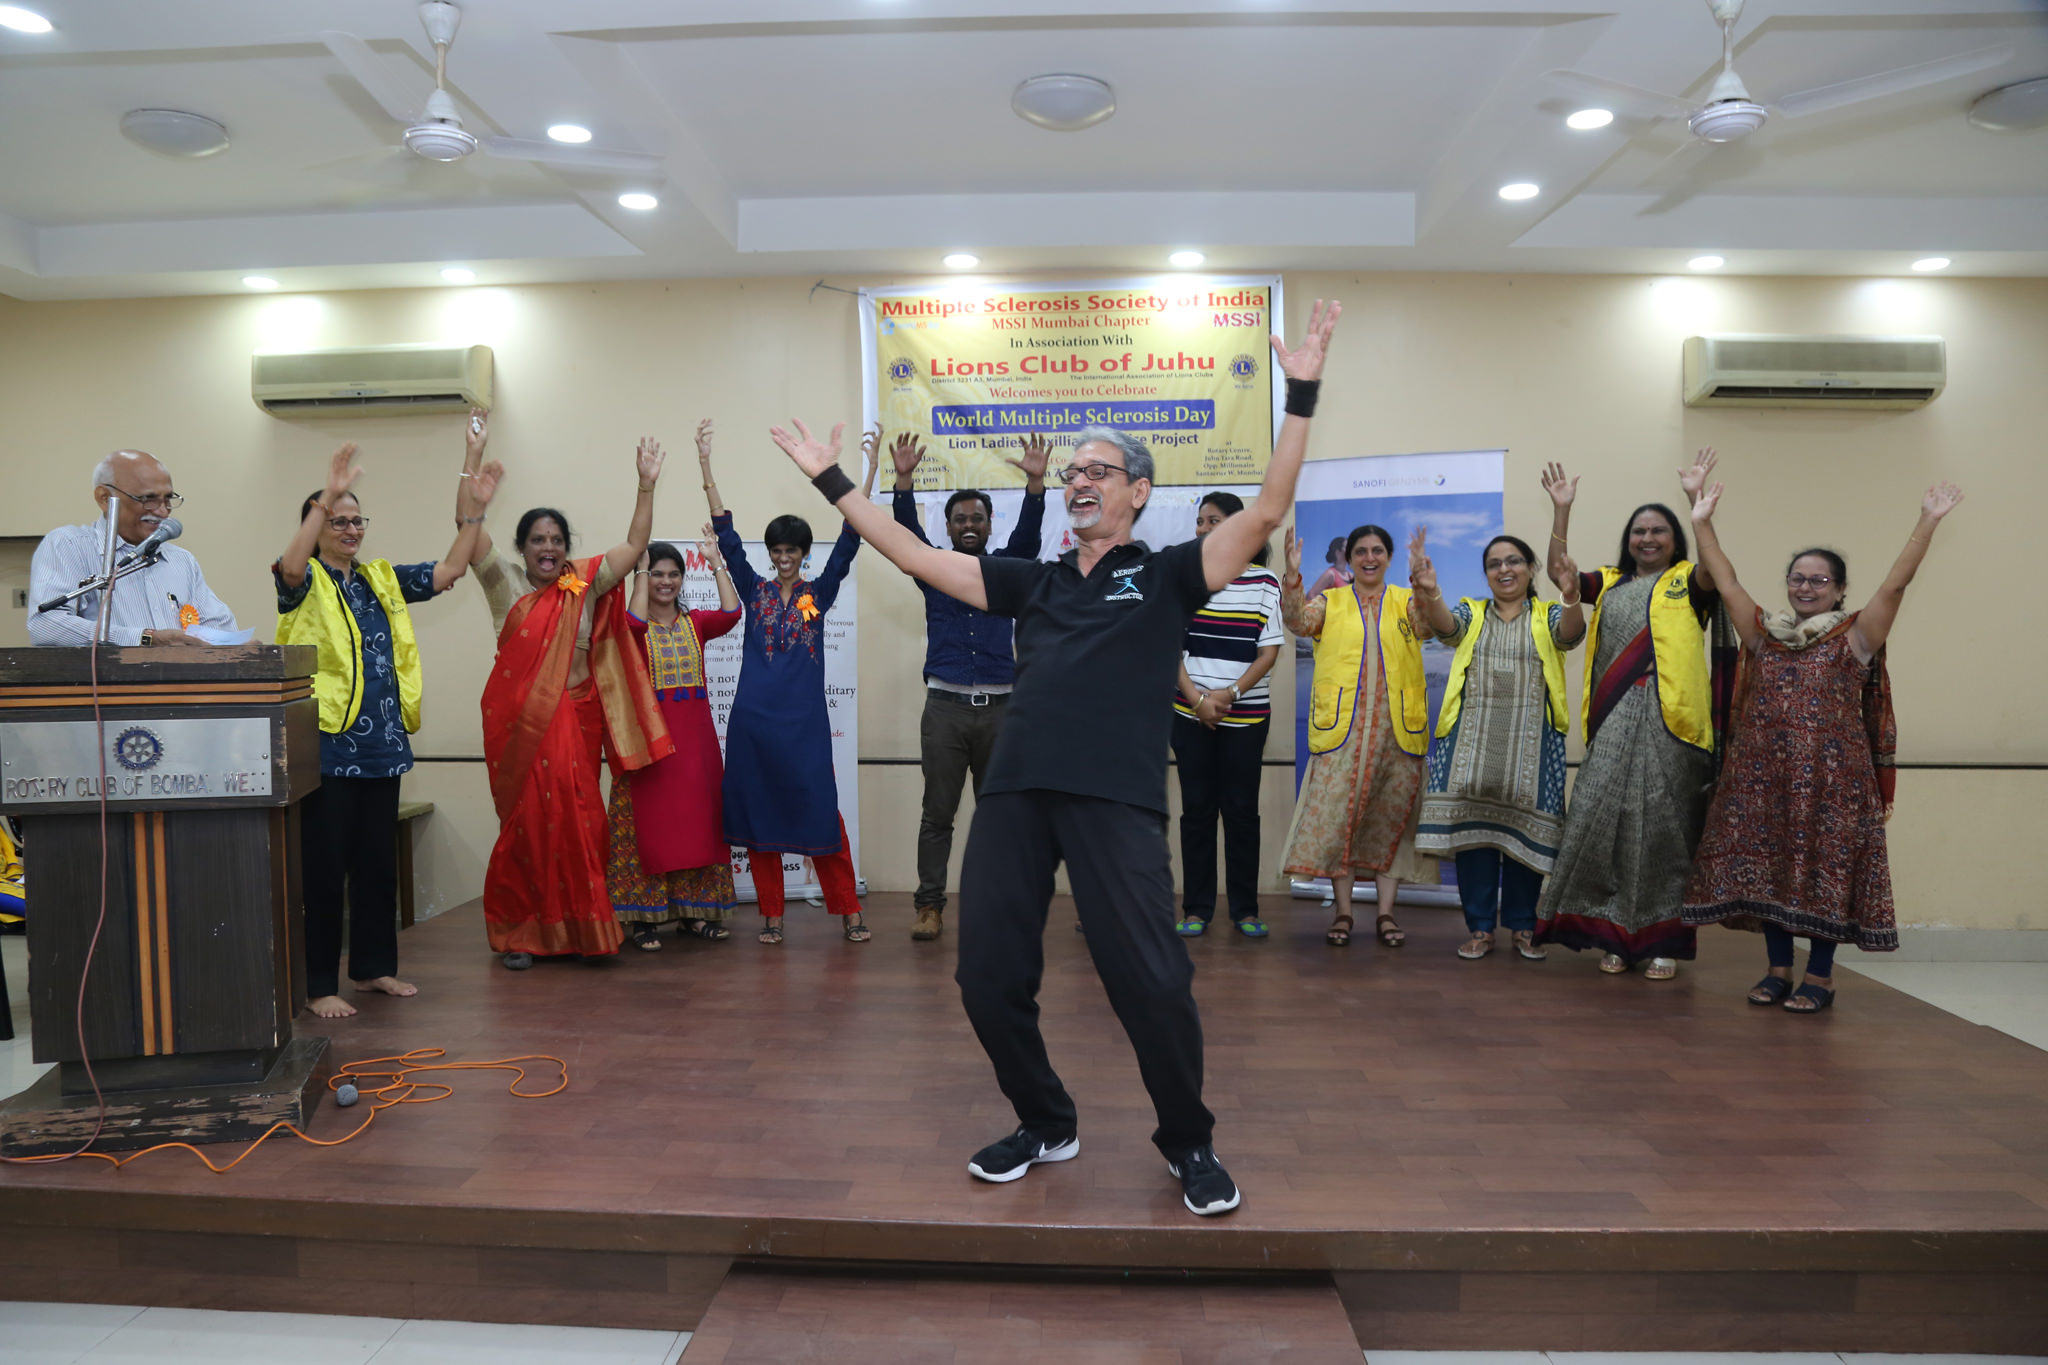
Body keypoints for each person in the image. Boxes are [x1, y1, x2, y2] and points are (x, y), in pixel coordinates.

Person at [763, 299, 1345, 1219]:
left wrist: (1301, 389)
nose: (1079, 482)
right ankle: (1045, 1119)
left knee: (1151, 979)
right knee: (985, 975)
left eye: (1097, 471)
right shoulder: (1029, 580)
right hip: (1016, 792)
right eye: (1072, 472)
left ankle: (1188, 1139)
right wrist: (832, 479)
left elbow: (1269, 507)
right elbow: (912, 552)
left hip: (1116, 797)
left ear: (1138, 491)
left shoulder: (1167, 573)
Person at [1681, 477, 1961, 1013]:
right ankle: (1778, 971)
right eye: (1798, 579)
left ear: (1839, 589)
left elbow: (1895, 586)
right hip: (1762, 780)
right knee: (1769, 870)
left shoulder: (1856, 636)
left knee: (1824, 874)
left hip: (1833, 785)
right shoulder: (1764, 634)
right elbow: (1727, 580)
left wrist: (1927, 521)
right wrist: (1702, 521)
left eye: (1819, 580)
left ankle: (1821, 977)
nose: (1806, 588)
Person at [274, 439, 499, 1018]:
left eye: (357, 521)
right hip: (325, 748)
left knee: (376, 866)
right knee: (325, 871)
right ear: (317, 526)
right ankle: (318, 984)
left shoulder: (380, 578)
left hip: (384, 745)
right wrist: (326, 495)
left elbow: (450, 570)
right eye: (338, 520)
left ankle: (373, 968)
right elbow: (290, 566)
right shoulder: (303, 582)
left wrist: (475, 512)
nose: (351, 529)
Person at [468, 421, 672, 969]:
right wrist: (473, 461)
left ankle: (583, 931)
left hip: (579, 718)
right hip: (524, 729)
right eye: (538, 540)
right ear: (522, 548)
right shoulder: (504, 583)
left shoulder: (581, 586)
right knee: (528, 829)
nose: (549, 548)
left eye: (557, 540)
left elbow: (634, 547)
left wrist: (646, 485)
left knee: (583, 823)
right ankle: (521, 935)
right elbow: (467, 530)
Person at [1534, 452, 1721, 980]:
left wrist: (1698, 509)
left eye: (1659, 531)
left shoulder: (1689, 580)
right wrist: (1562, 510)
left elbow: (1716, 571)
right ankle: (1613, 936)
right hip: (1613, 720)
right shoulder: (1611, 580)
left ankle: (1662, 942)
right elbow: (1560, 573)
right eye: (1639, 531)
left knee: (1663, 833)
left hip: (1674, 725)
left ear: (1675, 540)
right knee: (1600, 821)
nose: (1648, 538)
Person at [702, 422, 873, 946]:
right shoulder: (753, 591)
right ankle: (772, 917)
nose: (782, 557)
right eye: (776, 549)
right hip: (753, 728)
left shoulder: (815, 596)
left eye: (791, 550)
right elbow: (727, 537)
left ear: (803, 553)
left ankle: (849, 912)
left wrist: (869, 473)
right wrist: (705, 464)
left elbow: (850, 540)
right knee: (760, 823)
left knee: (822, 818)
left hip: (803, 730)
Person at [889, 427, 1049, 942]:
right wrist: (904, 481)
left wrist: (1036, 486)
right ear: (949, 526)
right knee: (937, 816)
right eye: (960, 519)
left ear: (988, 523)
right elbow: (906, 539)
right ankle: (929, 907)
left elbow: (1029, 539)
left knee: (1000, 817)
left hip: (1002, 711)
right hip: (946, 710)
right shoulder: (933, 570)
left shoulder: (1006, 571)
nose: (969, 525)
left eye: (977, 518)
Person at [1280, 523, 1454, 949]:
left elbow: (1430, 629)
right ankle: (1343, 912)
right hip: (1341, 734)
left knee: (1389, 823)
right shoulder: (1331, 601)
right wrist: (1292, 576)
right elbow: (1298, 622)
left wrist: (1425, 585)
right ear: (1350, 558)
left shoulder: (1404, 601)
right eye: (1361, 551)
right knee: (1342, 823)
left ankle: (1386, 914)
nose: (1369, 558)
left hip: (1398, 736)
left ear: (1389, 559)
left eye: (1378, 551)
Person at [1413, 535, 1585, 961]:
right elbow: (1445, 629)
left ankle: (1524, 926)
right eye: (1494, 564)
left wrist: (1571, 596)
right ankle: (1480, 928)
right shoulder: (1472, 612)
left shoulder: (1547, 615)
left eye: (1513, 561)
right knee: (1474, 839)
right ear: (1486, 574)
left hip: (1533, 745)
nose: (1504, 569)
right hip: (1471, 744)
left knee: (1529, 836)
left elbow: (1570, 635)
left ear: (1530, 569)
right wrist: (1431, 592)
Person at [606, 524, 743, 950]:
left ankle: (694, 914)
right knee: (651, 828)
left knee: (697, 826)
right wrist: (639, 570)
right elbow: (633, 621)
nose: (666, 582)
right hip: (649, 744)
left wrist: (716, 562)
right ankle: (643, 919)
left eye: (673, 574)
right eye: (657, 574)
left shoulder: (695, 623)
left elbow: (732, 612)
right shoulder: (631, 628)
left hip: (696, 746)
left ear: (683, 579)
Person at [1172, 491, 1283, 939]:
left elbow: (1268, 652)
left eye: (1213, 520)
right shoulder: (1184, 578)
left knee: (1241, 812)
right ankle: (1196, 908)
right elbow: (1169, 647)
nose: (1203, 528)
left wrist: (1229, 694)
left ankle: (1245, 910)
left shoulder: (1265, 583)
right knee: (1196, 812)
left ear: (1238, 527)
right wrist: (1198, 701)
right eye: (1200, 521)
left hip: (1246, 717)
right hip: (1188, 713)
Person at [29, 449, 239, 647]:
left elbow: (218, 625)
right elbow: (45, 626)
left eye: (168, 499)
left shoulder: (181, 560)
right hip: (109, 674)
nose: (163, 512)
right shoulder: (69, 545)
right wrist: (144, 638)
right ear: (104, 498)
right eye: (148, 499)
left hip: (179, 674)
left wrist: (231, 644)